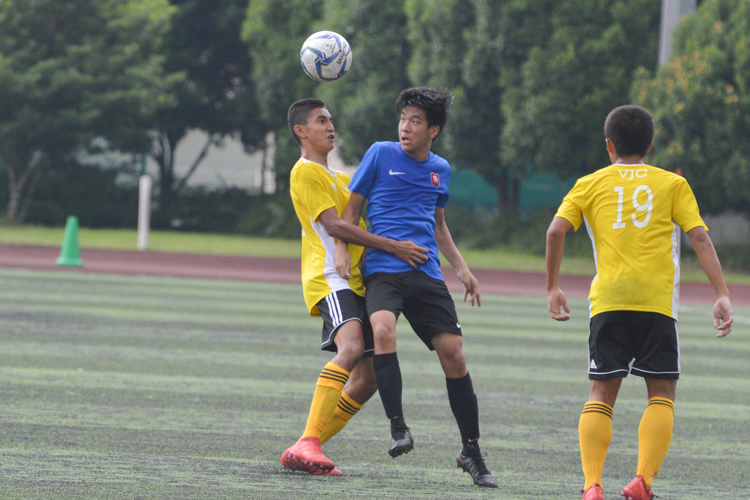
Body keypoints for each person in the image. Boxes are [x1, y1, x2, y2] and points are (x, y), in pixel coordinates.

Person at [545, 105, 733, 500]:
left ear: (609, 145)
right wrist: (721, 293)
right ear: (649, 144)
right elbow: (700, 237)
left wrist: (553, 286)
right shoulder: (671, 184)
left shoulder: (589, 183)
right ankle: (641, 482)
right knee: (662, 391)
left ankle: (592, 485)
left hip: (609, 301)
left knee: (600, 393)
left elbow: (555, 231)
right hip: (656, 303)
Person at [338, 87, 499, 488]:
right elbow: (351, 211)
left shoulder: (440, 169)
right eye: (403, 119)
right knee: (383, 329)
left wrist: (462, 269)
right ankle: (398, 428)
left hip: (425, 273)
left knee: (454, 354)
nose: (405, 128)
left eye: (415, 121)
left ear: (434, 130)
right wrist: (343, 247)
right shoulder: (379, 153)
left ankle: (471, 452)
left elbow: (439, 225)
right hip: (383, 269)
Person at [280, 98, 429, 476]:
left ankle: (304, 446)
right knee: (348, 348)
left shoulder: (342, 178)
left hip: (357, 282)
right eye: (320, 121)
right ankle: (309, 441)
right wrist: (395, 247)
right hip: (329, 277)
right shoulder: (305, 172)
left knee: (368, 379)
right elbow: (335, 225)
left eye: (331, 119)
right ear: (301, 131)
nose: (331, 126)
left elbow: (358, 220)